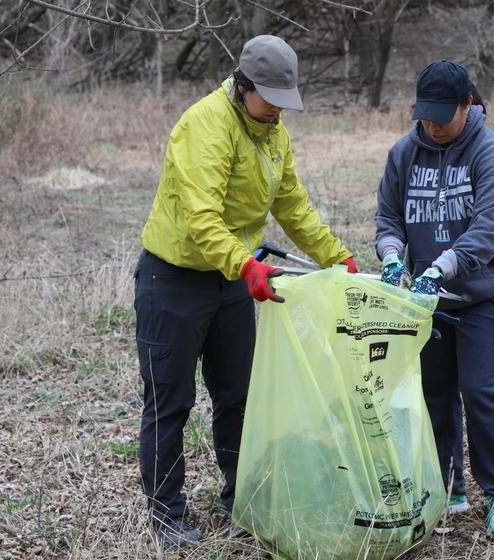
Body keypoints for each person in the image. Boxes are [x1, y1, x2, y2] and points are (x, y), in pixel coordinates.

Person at [134, 35, 357, 550]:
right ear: (244, 85)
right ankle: (168, 517)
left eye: (285, 101)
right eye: (271, 99)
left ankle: (243, 500)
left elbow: (293, 204)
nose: (279, 110)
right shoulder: (205, 126)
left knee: (239, 397)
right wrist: (246, 265)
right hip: (173, 280)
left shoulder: (274, 133)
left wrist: (334, 255)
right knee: (171, 401)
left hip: (234, 281)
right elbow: (202, 218)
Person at [374, 60, 494, 537]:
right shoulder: (403, 153)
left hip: (485, 292)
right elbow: (388, 219)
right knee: (434, 394)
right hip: (428, 300)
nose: (433, 126)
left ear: (468, 104)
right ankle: (447, 486)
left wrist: (439, 268)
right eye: (425, 116)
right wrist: (394, 257)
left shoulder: (491, 154)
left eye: (443, 115)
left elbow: (486, 232)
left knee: (479, 391)